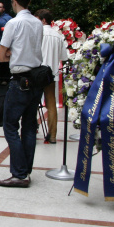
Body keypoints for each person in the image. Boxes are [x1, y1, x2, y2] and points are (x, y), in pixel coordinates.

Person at [0, 0, 44, 188]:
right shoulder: (37, 23)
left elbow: (1, 56)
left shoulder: (13, 23)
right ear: (29, 2)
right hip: (36, 79)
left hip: (19, 81)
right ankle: (25, 170)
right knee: (30, 127)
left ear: (14, 1)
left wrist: (12, 55)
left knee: (9, 126)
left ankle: (19, 173)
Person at [35, 9, 69, 144]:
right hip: (52, 74)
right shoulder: (58, 36)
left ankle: (32, 129)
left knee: (33, 102)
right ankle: (53, 135)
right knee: (51, 103)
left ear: (43, 20)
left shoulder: (37, 33)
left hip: (37, 73)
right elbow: (63, 57)